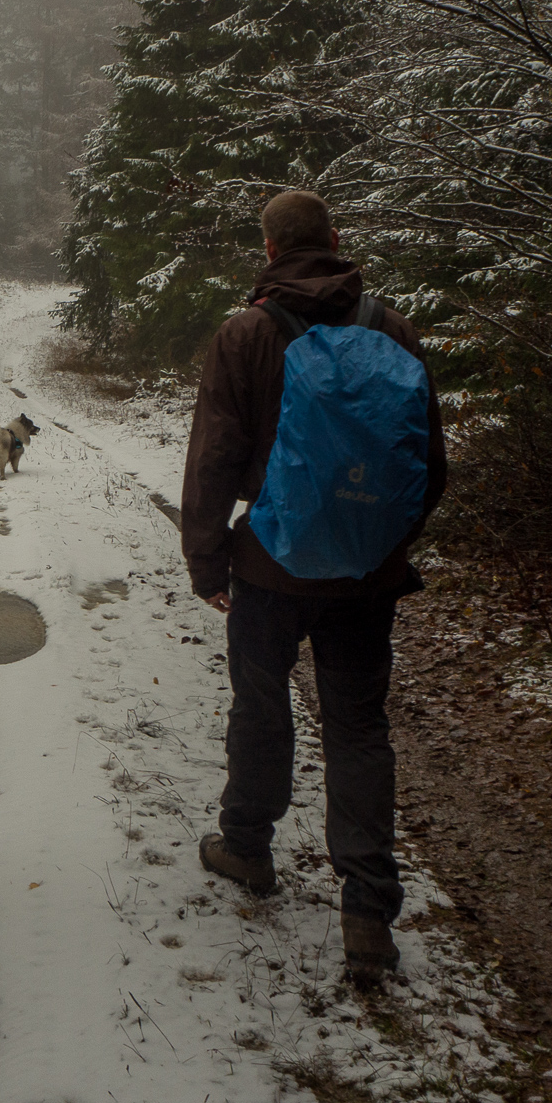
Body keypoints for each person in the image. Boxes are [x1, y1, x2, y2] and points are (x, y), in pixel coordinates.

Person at [181, 190, 448, 979]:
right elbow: (429, 465)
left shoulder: (246, 334)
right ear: (335, 240)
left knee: (262, 707)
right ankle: (367, 910)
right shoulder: (393, 329)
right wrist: (380, 541)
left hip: (269, 566)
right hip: (366, 576)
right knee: (358, 727)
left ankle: (248, 848)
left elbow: (214, 459)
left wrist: (207, 558)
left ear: (268, 252)